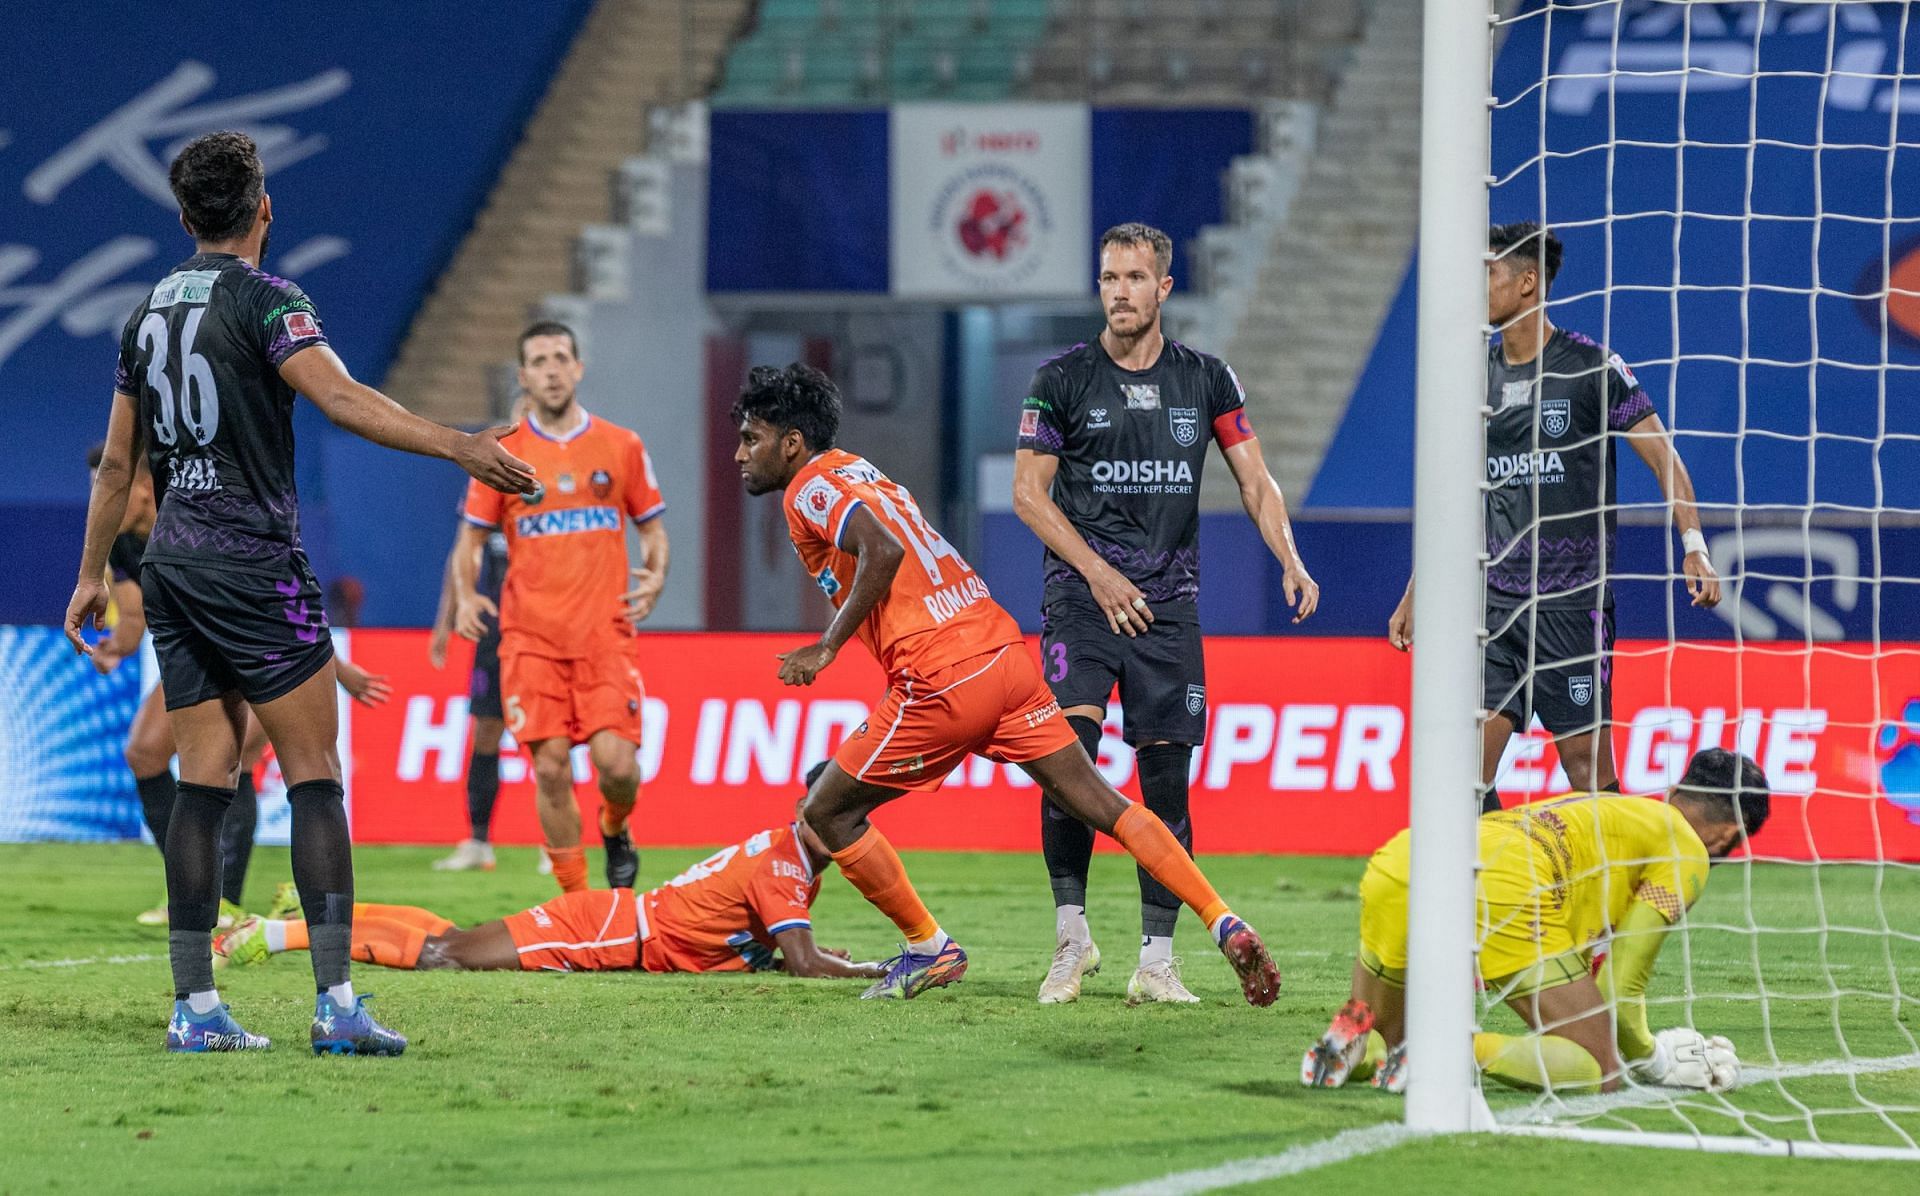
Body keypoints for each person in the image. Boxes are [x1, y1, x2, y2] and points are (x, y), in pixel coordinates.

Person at [64, 130, 537, 1054]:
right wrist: (462, 444)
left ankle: (196, 1011)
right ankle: (337, 1008)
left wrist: (89, 574)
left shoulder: (147, 313)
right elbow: (345, 400)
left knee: (205, 778)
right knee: (316, 775)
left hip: (175, 568)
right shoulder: (272, 300)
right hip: (253, 560)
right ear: (263, 209)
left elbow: (118, 462)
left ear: (186, 216)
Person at [732, 362, 1282, 1004]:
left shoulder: (809, 487)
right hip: (999, 652)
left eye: (751, 438)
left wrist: (825, 648)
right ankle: (1224, 920)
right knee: (1107, 804)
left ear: (792, 442)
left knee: (824, 809)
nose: (742, 454)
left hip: (939, 677)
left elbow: (884, 551)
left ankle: (927, 947)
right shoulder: (859, 468)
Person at [1013, 222, 1321, 1005]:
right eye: (1109, 277)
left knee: (1167, 783)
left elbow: (1256, 480)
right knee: (1067, 766)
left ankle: (1156, 961)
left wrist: (1287, 555)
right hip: (1081, 601)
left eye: (1134, 278)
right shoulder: (1061, 379)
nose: (1118, 291)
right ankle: (1071, 940)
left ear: (1164, 289)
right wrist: (1099, 573)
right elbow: (1027, 494)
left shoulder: (1208, 380)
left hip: (1168, 609)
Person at [1389, 223, 1721, 810]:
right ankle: (1488, 899)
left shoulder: (1590, 366)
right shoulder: (1475, 378)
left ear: (1526, 281)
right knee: (1469, 771)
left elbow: (1663, 456)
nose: (1476, 287)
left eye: (1488, 274)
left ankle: (1626, 887)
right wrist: (1418, 589)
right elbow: (1460, 497)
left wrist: (1693, 541)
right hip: (1496, 604)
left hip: (1572, 603)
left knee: (1587, 769)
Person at [1300, 748, 1768, 1095]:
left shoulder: (1615, 812)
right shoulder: (1687, 850)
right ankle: (1452, 1051)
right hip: (1505, 884)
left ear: (1672, 793)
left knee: (1387, 1038)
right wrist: (1652, 1056)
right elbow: (1621, 987)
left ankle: (1352, 1043)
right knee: (1601, 1069)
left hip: (1404, 860)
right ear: (1731, 835)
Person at [87, 446, 390, 925]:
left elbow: (277, 594)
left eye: (106, 487)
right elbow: (135, 618)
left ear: (143, 489)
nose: (98, 498)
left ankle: (222, 901)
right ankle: (191, 886)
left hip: (255, 654)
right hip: (198, 659)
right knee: (144, 753)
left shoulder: (192, 517)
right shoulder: (122, 544)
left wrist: (339, 670)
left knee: (235, 762)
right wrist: (112, 650)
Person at [217, 764, 884, 981]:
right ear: (812, 811)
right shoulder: (787, 867)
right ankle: (270, 939)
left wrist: (810, 953)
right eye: (844, 811)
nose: (850, 824)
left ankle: (296, 919)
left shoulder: (785, 855)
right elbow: (799, 962)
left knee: (453, 935)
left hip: (620, 921)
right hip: (609, 933)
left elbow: (756, 940)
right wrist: (861, 969)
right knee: (447, 954)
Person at [453, 323, 669, 895]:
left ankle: (615, 827)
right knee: (549, 767)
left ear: (578, 367)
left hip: (605, 636)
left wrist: (657, 574)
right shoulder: (504, 454)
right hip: (529, 639)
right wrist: (470, 592)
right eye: (538, 361)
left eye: (560, 358)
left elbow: (653, 530)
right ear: (523, 376)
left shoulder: (622, 446)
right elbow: (469, 541)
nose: (551, 369)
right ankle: (577, 906)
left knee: (617, 767)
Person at [428, 505, 512, 872]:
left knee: (550, 737)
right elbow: (462, 552)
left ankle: (556, 843)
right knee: (485, 733)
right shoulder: (489, 485)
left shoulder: (546, 486)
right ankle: (479, 842)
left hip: (544, 634)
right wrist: (444, 622)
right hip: (493, 636)